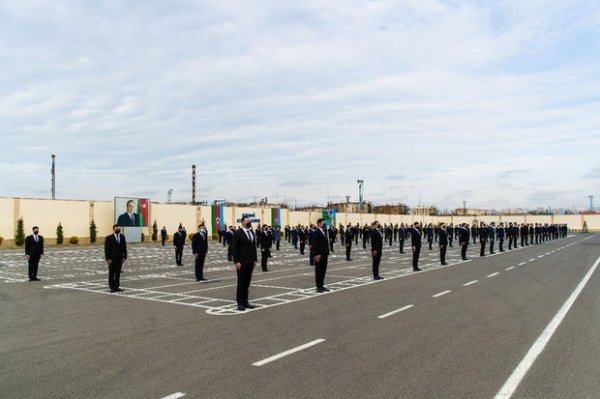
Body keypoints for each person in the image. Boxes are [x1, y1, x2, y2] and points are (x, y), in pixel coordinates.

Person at [230, 216, 258, 311]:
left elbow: (253, 247)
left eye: (249, 221)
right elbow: (234, 248)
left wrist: (255, 259)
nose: (249, 222)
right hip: (241, 262)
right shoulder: (238, 233)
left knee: (247, 283)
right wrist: (236, 261)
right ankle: (240, 303)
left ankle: (246, 301)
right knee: (241, 283)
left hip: (250, 261)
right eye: (247, 221)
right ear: (242, 222)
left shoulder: (251, 232)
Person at [104, 224, 127, 293]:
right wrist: (108, 259)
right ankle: (112, 288)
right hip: (112, 260)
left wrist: (125, 256)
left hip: (120, 259)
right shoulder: (109, 238)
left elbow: (124, 247)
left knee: (117, 274)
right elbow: (107, 249)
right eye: (116, 228)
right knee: (111, 274)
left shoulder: (122, 237)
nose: (118, 229)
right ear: (113, 229)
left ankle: (117, 287)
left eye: (119, 228)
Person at [313, 218, 331, 292]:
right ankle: (318, 286)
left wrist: (327, 252)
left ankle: (322, 285)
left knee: (323, 270)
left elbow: (325, 243)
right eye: (323, 223)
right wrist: (317, 254)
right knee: (319, 271)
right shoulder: (316, 232)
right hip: (319, 255)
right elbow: (315, 244)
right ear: (319, 223)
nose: (324, 224)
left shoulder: (324, 231)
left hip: (324, 254)